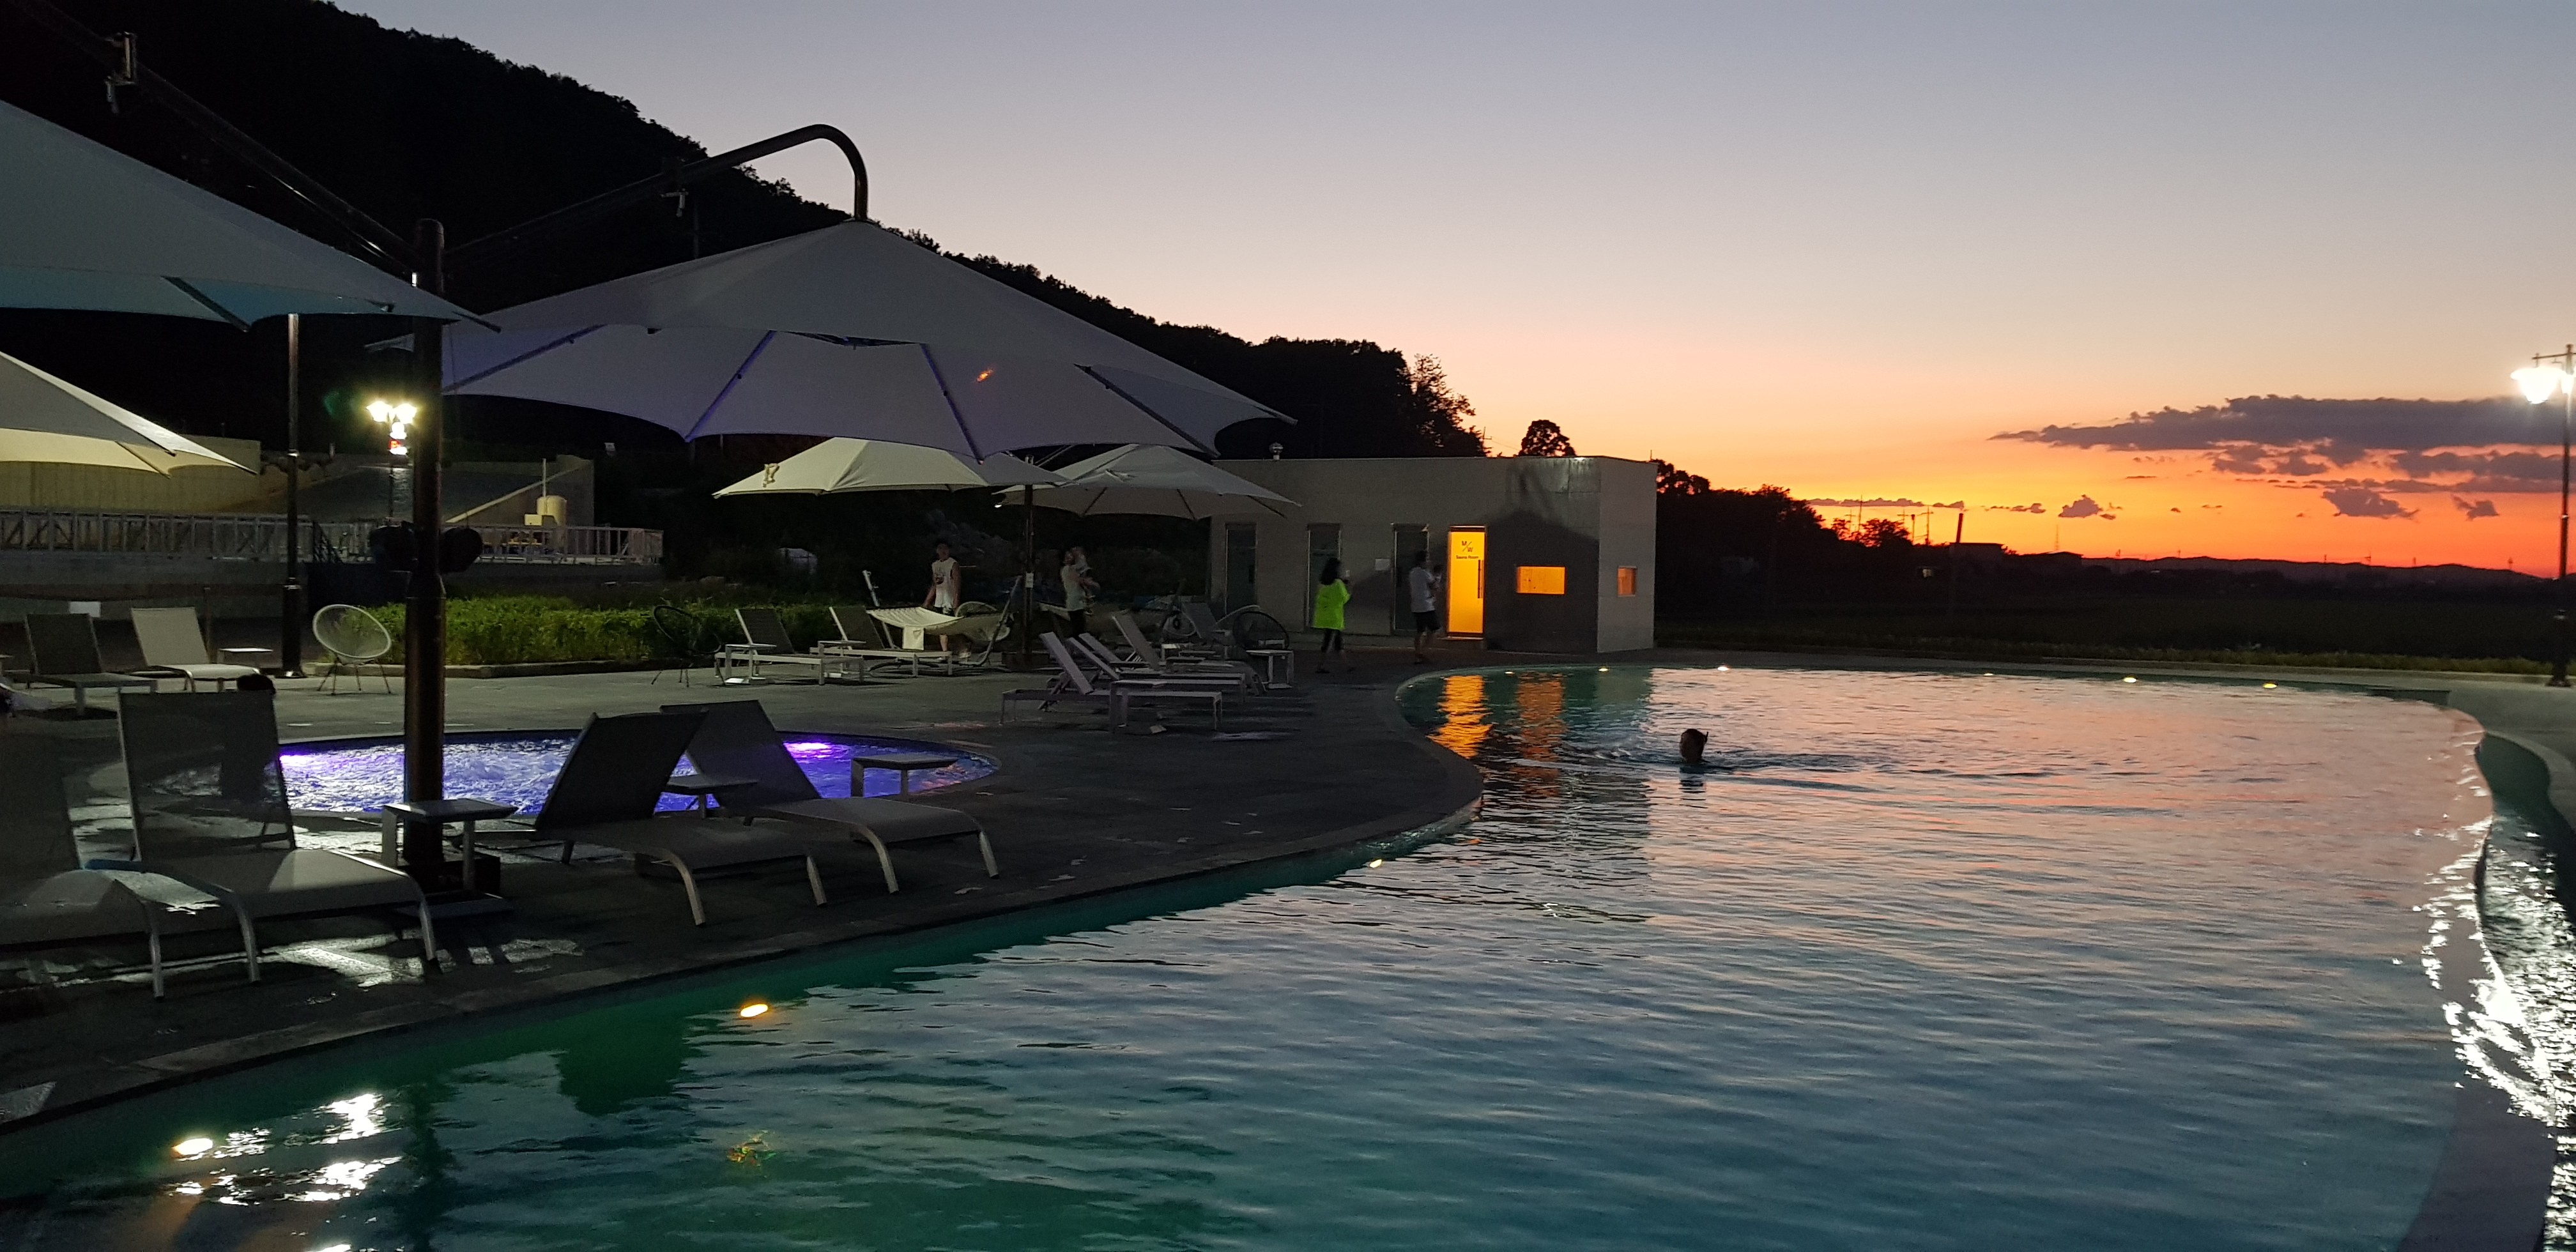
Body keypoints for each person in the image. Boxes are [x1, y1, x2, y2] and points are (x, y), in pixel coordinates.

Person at [922, 540, 963, 655]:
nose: (943, 551)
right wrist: (927, 602)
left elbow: (957, 583)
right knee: (942, 627)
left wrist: (956, 600)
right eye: (940, 549)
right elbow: (935, 585)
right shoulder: (935, 565)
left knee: (952, 627)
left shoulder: (953, 564)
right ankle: (945, 652)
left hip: (949, 600)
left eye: (945, 549)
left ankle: (963, 647)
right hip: (939, 601)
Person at [1312, 557, 1350, 673]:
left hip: (1324, 616)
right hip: (1335, 617)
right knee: (1329, 642)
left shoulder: (1322, 583)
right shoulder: (1338, 584)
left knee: (1336, 641)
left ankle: (1346, 665)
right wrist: (1350, 589)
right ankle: (1320, 666)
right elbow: (1344, 598)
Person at [1406, 551, 1441, 663]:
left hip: (1416, 605)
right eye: (1427, 559)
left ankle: (1418, 652)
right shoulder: (1425, 573)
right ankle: (1423, 652)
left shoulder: (1412, 572)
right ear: (1423, 561)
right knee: (1435, 629)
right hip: (1426, 605)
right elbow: (1434, 586)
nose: (1429, 562)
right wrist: (1438, 577)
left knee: (1420, 630)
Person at [1061, 546, 1100, 639]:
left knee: (1081, 628)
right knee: (1078, 629)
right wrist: (1092, 584)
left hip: (1079, 603)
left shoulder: (1074, 569)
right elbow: (1078, 580)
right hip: (1074, 603)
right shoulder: (1067, 569)